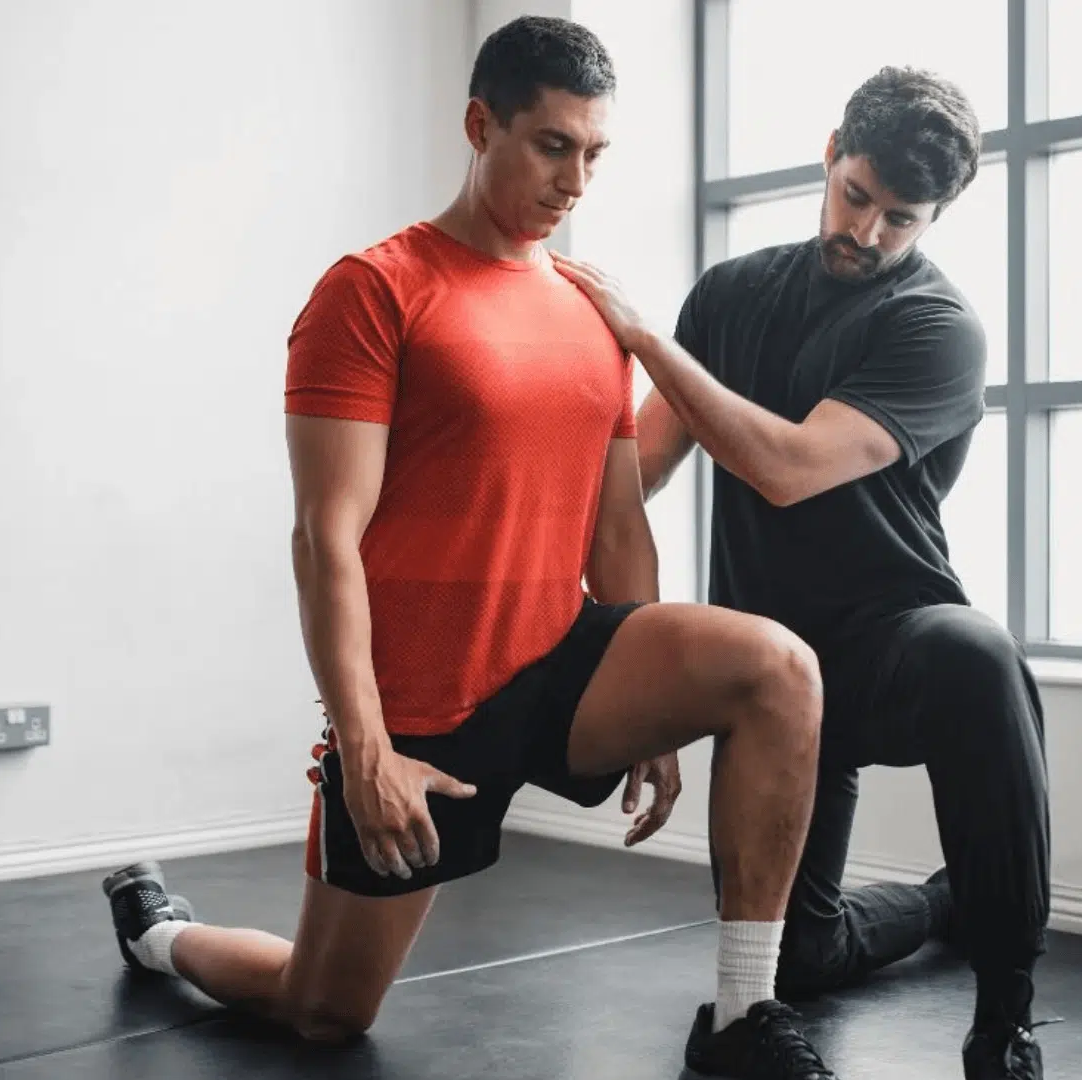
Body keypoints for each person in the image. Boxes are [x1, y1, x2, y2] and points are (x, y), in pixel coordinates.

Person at [98, 18, 845, 1079]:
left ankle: (740, 1018)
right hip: (421, 711)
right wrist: (363, 748)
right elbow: (326, 538)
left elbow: (617, 524)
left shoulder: (592, 311)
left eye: (595, 153)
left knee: (778, 669)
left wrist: (662, 723)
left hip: (557, 660)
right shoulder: (375, 289)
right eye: (551, 146)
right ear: (478, 124)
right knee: (324, 1011)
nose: (575, 180)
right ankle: (158, 930)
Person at [551, 66, 1052, 1080]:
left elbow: (785, 468)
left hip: (886, 645)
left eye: (900, 220)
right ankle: (947, 901)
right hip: (769, 670)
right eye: (857, 196)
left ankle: (1005, 1016)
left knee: (978, 655)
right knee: (805, 960)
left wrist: (643, 337)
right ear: (830, 155)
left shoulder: (937, 329)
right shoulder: (734, 296)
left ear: (936, 216)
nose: (867, 234)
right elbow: (635, 468)